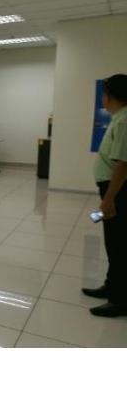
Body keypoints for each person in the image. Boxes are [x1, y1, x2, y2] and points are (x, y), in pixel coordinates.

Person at [84, 73, 127, 317]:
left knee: (119, 244)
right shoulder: (119, 117)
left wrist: (109, 199)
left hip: (118, 191)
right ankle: (111, 287)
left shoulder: (124, 120)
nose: (103, 98)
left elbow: (123, 163)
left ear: (111, 96)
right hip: (113, 189)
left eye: (105, 94)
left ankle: (120, 300)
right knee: (114, 242)